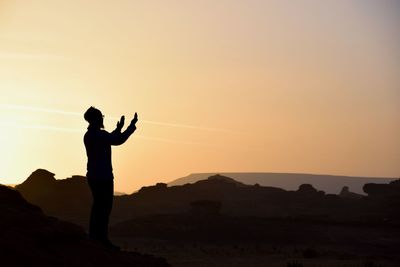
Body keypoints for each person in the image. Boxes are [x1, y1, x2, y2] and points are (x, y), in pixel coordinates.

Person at [83, 106, 138, 251]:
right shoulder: (98, 135)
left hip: (94, 176)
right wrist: (131, 127)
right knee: (104, 208)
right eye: (101, 116)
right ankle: (101, 240)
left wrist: (118, 128)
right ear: (95, 119)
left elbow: (110, 139)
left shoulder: (90, 135)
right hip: (103, 177)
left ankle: (95, 238)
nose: (102, 118)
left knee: (98, 208)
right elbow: (117, 140)